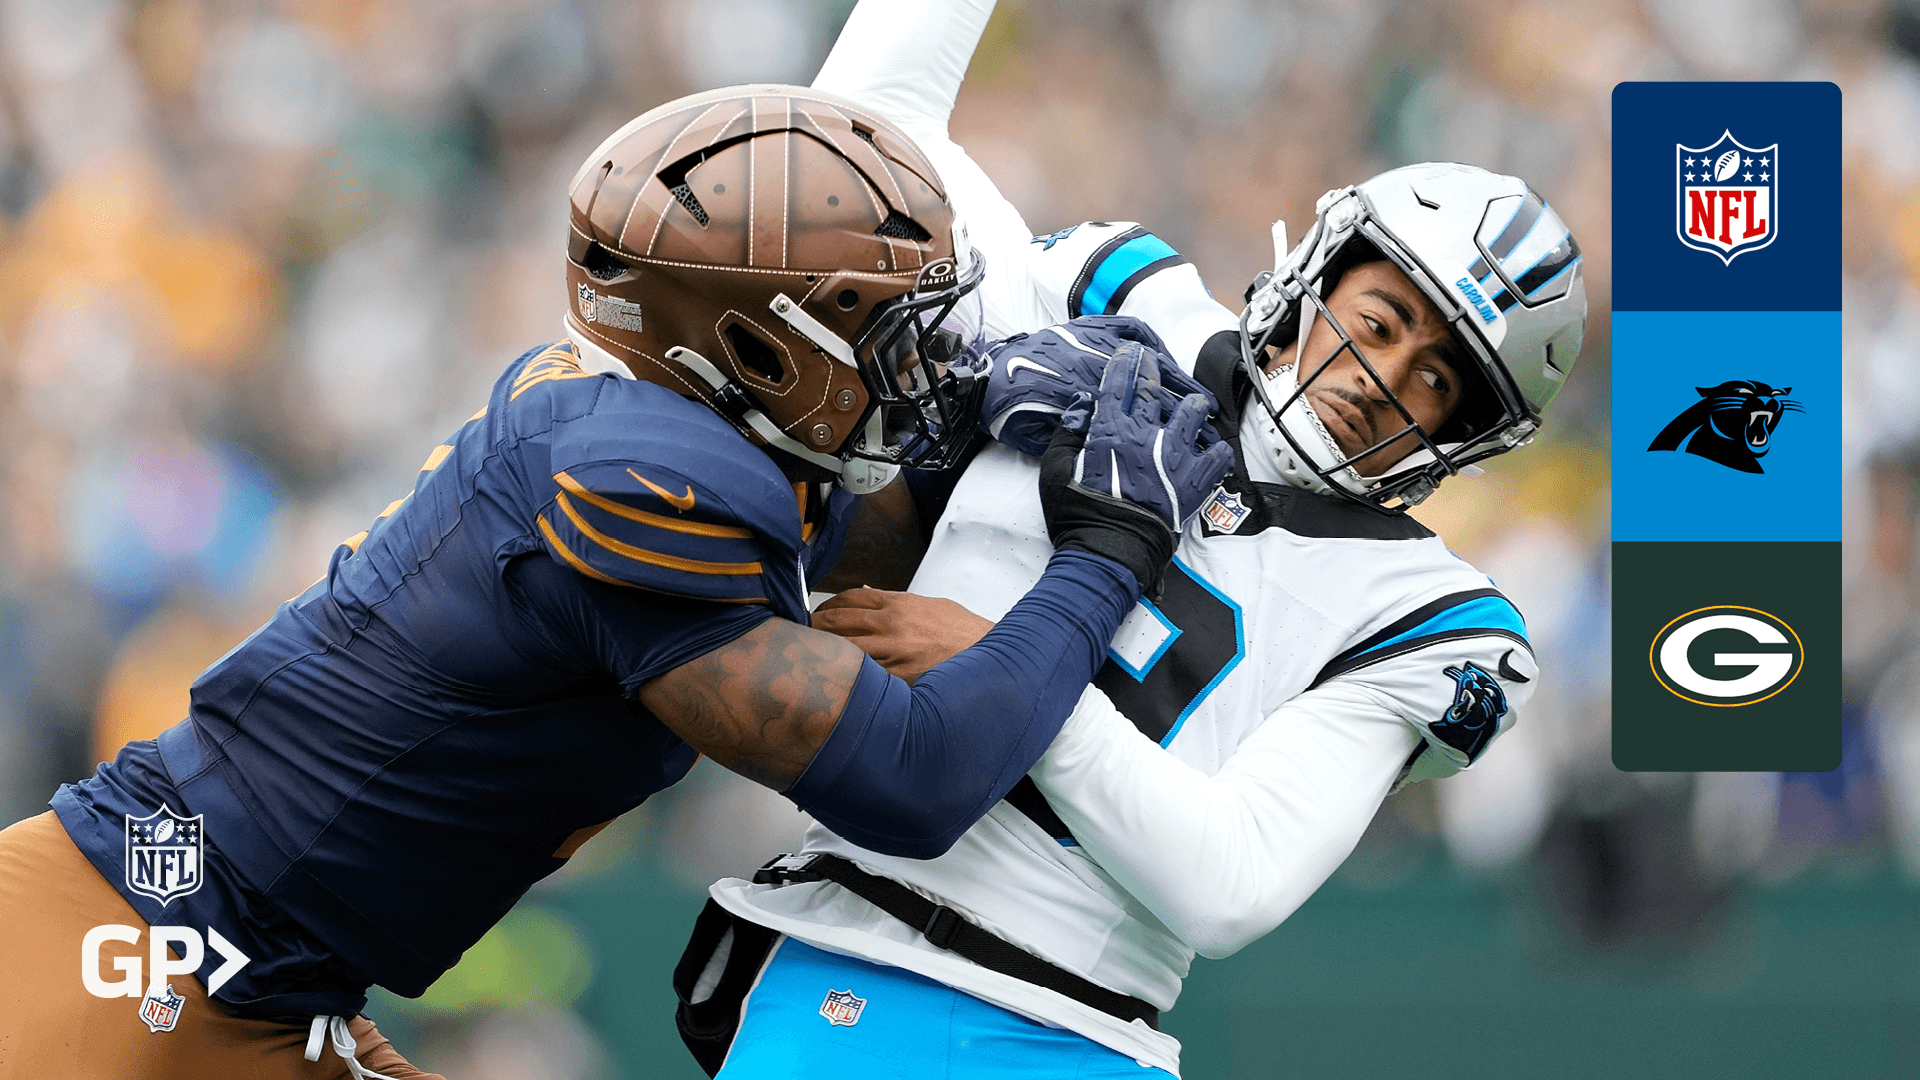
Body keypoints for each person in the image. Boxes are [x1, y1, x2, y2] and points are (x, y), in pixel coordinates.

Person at [0, 84, 1231, 1079]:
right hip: (144, 948)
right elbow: (916, 780)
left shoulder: (670, 419)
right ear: (758, 349)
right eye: (889, 325)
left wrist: (981, 420)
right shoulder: (645, 481)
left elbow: (862, 539)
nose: (930, 355)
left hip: (242, 961)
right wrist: (1107, 551)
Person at [678, 3, 1590, 1077]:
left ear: (1466, 433)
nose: (1378, 378)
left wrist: (1009, 670)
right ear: (1319, 271)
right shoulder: (1124, 303)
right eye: (1379, 324)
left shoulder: (1429, 615)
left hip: (1068, 1025)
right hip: (842, 948)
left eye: (1433, 378)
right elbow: (847, 144)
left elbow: (1234, 883)